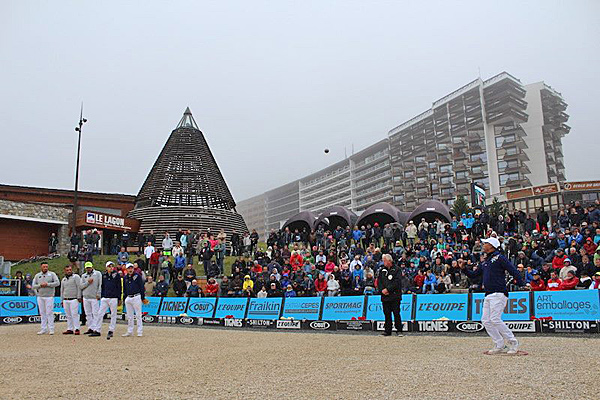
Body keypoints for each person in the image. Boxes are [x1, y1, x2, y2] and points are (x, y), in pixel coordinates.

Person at [459, 237, 525, 354]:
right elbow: (474, 275)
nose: (483, 245)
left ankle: (513, 342)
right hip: (488, 294)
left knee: (495, 319)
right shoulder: (485, 261)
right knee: (485, 320)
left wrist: (522, 284)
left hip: (499, 292)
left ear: (492, 245)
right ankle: (499, 344)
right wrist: (464, 268)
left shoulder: (500, 258)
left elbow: (513, 270)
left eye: (486, 243)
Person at [378, 254, 403, 337]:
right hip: (385, 296)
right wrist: (382, 290)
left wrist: (388, 289)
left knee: (396, 313)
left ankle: (399, 330)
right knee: (387, 314)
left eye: (384, 260)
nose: (383, 262)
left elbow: (397, 282)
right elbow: (379, 282)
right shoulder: (382, 270)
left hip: (395, 296)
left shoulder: (397, 270)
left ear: (389, 261)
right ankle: (387, 330)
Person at [32, 262, 60, 335]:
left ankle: (51, 328)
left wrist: (48, 284)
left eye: (46, 267)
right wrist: (40, 285)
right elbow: (33, 286)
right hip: (40, 296)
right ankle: (43, 328)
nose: (45, 268)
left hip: (49, 296)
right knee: (42, 312)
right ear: (41, 267)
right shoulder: (37, 275)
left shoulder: (52, 274)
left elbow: (57, 283)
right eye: (44, 267)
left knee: (49, 312)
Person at [96, 261, 122, 339]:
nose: (111, 268)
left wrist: (119, 298)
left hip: (113, 297)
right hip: (105, 297)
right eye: (109, 266)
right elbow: (102, 286)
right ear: (106, 267)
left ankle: (111, 330)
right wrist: (102, 295)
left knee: (113, 314)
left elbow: (119, 287)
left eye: (112, 266)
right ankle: (97, 330)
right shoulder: (103, 275)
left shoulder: (116, 275)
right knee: (100, 313)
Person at [79, 261, 102, 336]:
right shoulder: (83, 276)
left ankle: (96, 328)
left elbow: (100, 284)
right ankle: (90, 327)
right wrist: (88, 282)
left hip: (94, 297)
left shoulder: (97, 274)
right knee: (88, 313)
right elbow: (81, 286)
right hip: (86, 297)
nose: (88, 269)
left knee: (95, 313)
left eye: (89, 267)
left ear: (92, 267)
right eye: (87, 268)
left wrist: (99, 293)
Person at [122, 263, 145, 337]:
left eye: (131, 268)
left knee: (138, 315)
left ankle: (139, 331)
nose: (130, 269)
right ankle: (130, 331)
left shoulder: (137, 276)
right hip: (128, 297)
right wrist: (124, 298)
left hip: (136, 296)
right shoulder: (125, 277)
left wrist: (142, 297)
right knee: (129, 316)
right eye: (129, 268)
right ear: (126, 269)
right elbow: (124, 289)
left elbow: (141, 287)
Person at [60, 265, 81, 335]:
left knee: (74, 314)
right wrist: (61, 300)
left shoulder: (76, 277)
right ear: (65, 271)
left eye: (70, 270)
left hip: (74, 299)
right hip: (66, 299)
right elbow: (62, 290)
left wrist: (79, 296)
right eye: (67, 270)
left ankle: (77, 328)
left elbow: (79, 287)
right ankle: (70, 328)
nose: (69, 271)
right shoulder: (63, 279)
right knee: (68, 315)